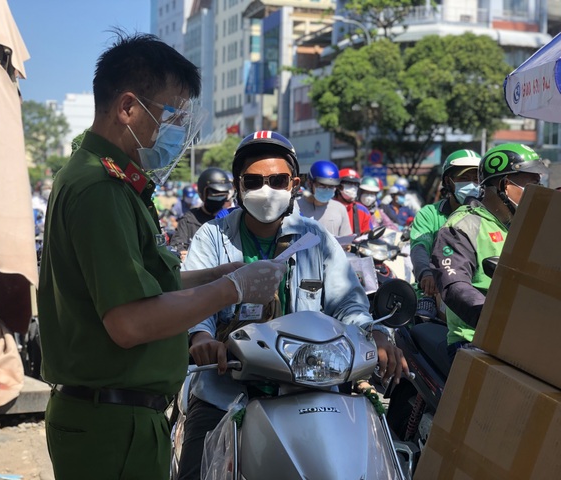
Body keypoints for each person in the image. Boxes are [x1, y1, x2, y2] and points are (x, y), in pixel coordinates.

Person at [37, 33, 287, 480]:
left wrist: (227, 273)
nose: (177, 132)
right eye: (172, 115)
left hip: (120, 420)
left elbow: (148, 283)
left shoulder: (105, 178)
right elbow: (130, 321)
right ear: (127, 108)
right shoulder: (101, 189)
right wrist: (232, 288)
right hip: (113, 426)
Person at [177, 130, 408, 479]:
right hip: (227, 387)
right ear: (238, 187)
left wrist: (373, 332)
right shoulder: (213, 235)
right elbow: (196, 301)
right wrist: (200, 339)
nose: (265, 189)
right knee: (197, 469)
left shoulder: (317, 238)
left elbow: (348, 302)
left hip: (315, 385)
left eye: (277, 180)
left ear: (295, 184)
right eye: (253, 181)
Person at [431, 143, 548, 363]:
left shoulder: (526, 225)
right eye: (532, 184)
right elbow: (454, 285)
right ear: (505, 184)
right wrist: (494, 317)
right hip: (476, 340)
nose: (539, 192)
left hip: (525, 335)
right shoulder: (463, 225)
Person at [410, 149, 481, 318]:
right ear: (448, 181)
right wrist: (426, 273)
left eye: (476, 179)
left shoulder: (490, 215)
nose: (472, 184)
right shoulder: (430, 213)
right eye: (464, 179)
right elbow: (420, 246)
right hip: (439, 289)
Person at [170, 167, 234, 261]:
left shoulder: (230, 219)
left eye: (222, 195)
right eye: (214, 194)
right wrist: (182, 253)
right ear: (202, 194)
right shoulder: (189, 219)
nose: (218, 198)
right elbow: (177, 244)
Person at [295, 160, 352, 237]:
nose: (327, 189)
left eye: (331, 186)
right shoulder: (295, 207)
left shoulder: (340, 208)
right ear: (309, 183)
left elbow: (346, 239)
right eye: (322, 185)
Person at [334, 168, 372, 235]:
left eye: (355, 184)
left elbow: (368, 236)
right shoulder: (327, 208)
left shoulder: (363, 211)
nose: (353, 188)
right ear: (338, 186)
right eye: (348, 183)